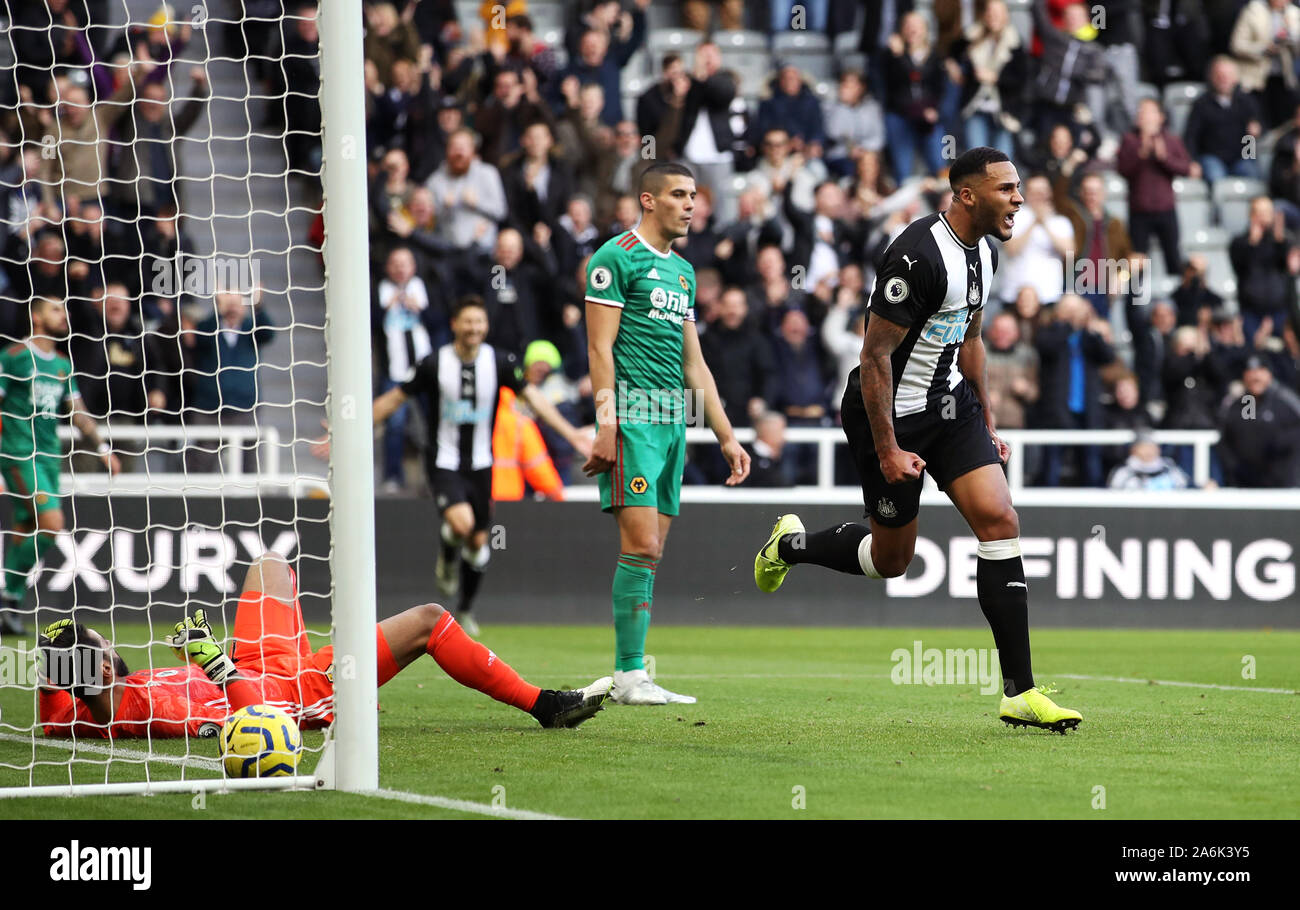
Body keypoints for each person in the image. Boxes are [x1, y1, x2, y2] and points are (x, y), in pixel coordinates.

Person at [752, 147, 1083, 733]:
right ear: (966, 195)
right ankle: (792, 545)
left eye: (1018, 187)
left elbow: (971, 336)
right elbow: (874, 356)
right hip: (886, 413)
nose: (1018, 199)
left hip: (949, 406)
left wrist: (987, 422)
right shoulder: (917, 254)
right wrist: (887, 449)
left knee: (1000, 520)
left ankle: (1019, 692)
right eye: (1006, 189)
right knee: (891, 561)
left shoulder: (985, 251)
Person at [37, 553, 611, 736]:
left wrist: (48, 669)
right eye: (95, 646)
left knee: (268, 565)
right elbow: (254, 719)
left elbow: (53, 718)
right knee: (430, 620)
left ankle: (354, 684)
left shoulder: (110, 696)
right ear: (100, 672)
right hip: (286, 690)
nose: (103, 641)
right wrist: (214, 663)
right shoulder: (127, 707)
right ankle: (545, 706)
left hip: (255, 660)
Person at [315, 297, 591, 637]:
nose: (473, 328)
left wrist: (571, 433)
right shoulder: (433, 364)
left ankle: (465, 608)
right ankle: (448, 554)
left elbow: (533, 398)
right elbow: (395, 398)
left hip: (481, 465)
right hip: (444, 462)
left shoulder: (500, 362)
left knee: (478, 542)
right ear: (454, 325)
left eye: (479, 322)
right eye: (467, 322)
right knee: (462, 524)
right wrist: (350, 429)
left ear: (485, 326)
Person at [582, 162, 751, 706]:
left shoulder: (683, 273)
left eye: (694, 196)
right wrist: (607, 424)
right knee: (642, 544)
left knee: (652, 553)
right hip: (632, 420)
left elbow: (694, 363)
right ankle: (629, 675)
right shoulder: (615, 258)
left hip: (674, 422)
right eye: (679, 194)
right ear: (648, 200)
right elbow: (598, 349)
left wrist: (726, 436)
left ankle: (632, 674)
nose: (690, 204)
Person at [0, 299, 121, 636]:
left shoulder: (63, 366)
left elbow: (78, 412)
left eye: (64, 310)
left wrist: (101, 447)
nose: (63, 315)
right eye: (55, 310)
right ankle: (7, 593)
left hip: (49, 457)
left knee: (28, 527)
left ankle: (9, 604)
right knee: (53, 524)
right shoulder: (13, 358)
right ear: (36, 317)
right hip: (19, 453)